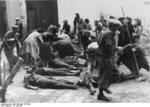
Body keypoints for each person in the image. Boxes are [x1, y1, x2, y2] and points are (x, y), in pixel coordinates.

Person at [97, 19, 122, 101]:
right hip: (106, 57)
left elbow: (99, 42)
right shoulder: (109, 33)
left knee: (110, 73)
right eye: (116, 27)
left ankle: (105, 86)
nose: (117, 29)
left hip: (103, 56)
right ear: (112, 26)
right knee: (105, 75)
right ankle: (100, 94)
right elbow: (108, 46)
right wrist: (117, 48)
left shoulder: (103, 31)